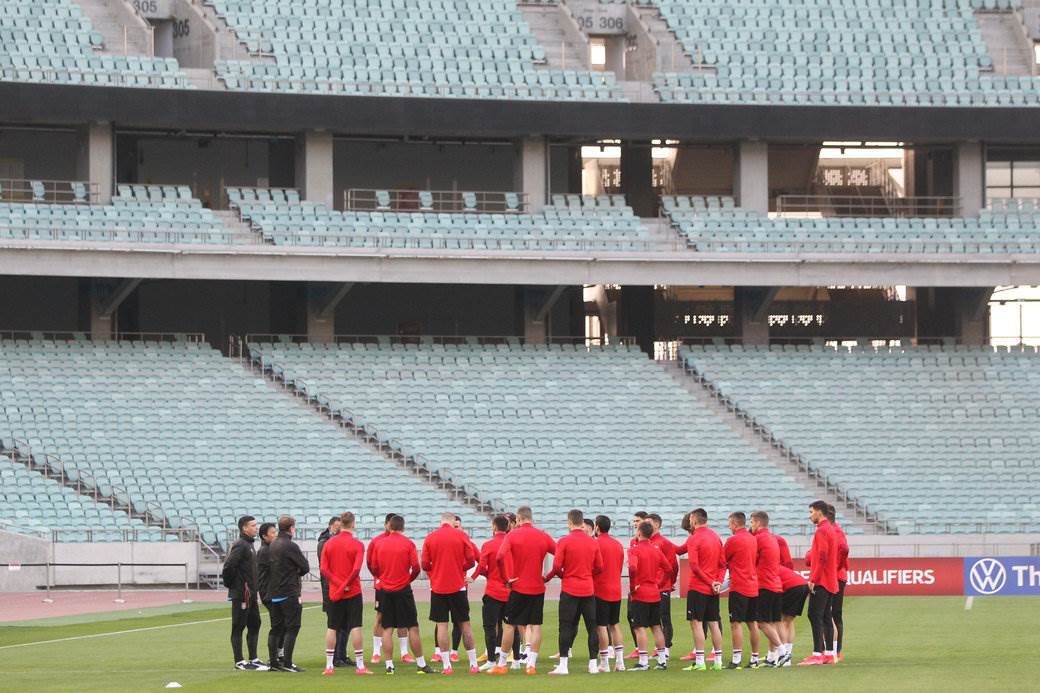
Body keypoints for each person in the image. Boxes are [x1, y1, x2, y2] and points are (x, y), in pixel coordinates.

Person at [488, 505, 556, 675]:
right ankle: (531, 664)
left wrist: (506, 579)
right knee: (535, 626)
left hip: (518, 586)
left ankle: (502, 663)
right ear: (531, 518)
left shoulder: (513, 535)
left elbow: (499, 557)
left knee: (510, 625)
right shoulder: (543, 536)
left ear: (518, 518)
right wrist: (549, 576)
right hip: (537, 587)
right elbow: (560, 555)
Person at [368, 514, 435, 674]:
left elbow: (373, 566)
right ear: (403, 527)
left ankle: (389, 665)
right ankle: (421, 663)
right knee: (412, 626)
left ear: (389, 526)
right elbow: (416, 567)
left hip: (385, 589)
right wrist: (407, 579)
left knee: (387, 628)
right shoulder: (408, 543)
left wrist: (382, 577)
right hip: (403, 589)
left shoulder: (380, 544)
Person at [545, 509, 603, 676]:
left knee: (566, 626)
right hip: (587, 588)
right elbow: (600, 567)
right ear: (582, 523)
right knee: (592, 627)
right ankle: (593, 663)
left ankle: (563, 664)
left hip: (570, 588)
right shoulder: (593, 542)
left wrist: (566, 575)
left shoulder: (564, 541)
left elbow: (556, 566)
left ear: (570, 523)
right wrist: (587, 575)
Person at [422, 512, 479, 674]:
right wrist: (460, 569)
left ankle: (447, 665)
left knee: (442, 625)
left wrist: (435, 574)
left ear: (441, 522)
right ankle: (473, 664)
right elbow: (470, 559)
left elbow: (425, 564)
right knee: (465, 624)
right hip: (458, 586)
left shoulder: (430, 537)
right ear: (453, 521)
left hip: (438, 587)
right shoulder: (461, 536)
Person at [318, 512, 370, 676]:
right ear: (353, 524)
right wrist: (345, 585)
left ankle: (329, 666)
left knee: (332, 627)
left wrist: (338, 585)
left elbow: (324, 569)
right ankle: (360, 665)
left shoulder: (329, 544)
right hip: (352, 591)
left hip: (335, 591)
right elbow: (356, 569)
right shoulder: (358, 544)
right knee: (355, 626)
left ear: (340, 524)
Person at [677, 508, 725, 672]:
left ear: (694, 519)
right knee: (714, 623)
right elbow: (722, 564)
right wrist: (717, 582)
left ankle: (700, 662)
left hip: (698, 587)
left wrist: (710, 582)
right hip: (713, 589)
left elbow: (694, 566)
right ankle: (718, 661)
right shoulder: (716, 537)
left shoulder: (695, 538)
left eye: (690, 518)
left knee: (696, 624)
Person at [368, 513, 413, 665]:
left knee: (402, 620)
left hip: (399, 585)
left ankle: (404, 652)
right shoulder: (377, 541)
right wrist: (379, 578)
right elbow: (370, 564)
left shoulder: (402, 542)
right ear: (386, 524)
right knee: (380, 618)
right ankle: (375, 652)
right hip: (383, 586)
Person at [799, 500, 838, 666]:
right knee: (826, 616)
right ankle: (829, 654)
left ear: (819, 512)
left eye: (811, 512)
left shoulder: (822, 531)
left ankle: (817, 653)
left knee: (814, 615)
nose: (810, 515)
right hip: (830, 579)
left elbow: (822, 557)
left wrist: (813, 579)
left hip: (821, 580)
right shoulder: (830, 529)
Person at [267, 515, 309, 672]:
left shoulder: (273, 544)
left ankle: (273, 662)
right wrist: (295, 571)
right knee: (293, 627)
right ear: (291, 528)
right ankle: (288, 662)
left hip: (274, 591)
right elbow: (305, 567)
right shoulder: (290, 545)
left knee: (276, 628)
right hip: (289, 591)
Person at [223, 515, 265, 671]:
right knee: (238, 626)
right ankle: (239, 661)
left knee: (255, 623)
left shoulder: (249, 545)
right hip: (242, 594)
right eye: (253, 525)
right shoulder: (240, 545)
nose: (256, 527)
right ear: (244, 528)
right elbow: (228, 567)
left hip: (252, 594)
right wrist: (235, 587)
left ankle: (253, 658)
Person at [627, 521, 669, 671]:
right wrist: (658, 583)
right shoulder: (656, 549)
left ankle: (643, 661)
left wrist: (633, 587)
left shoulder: (634, 550)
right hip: (654, 592)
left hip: (641, 593)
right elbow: (668, 568)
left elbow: (632, 568)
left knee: (639, 627)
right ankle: (662, 660)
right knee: (656, 626)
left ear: (639, 532)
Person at [471, 515, 511, 670]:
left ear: (494, 527)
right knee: (510, 626)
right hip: (510, 591)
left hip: (493, 591)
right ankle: (512, 661)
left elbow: (481, 566)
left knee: (490, 626)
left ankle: (491, 660)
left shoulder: (489, 545)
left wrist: (473, 577)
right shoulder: (512, 544)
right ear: (507, 527)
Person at [441, 515, 479, 665]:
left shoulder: (466, 541)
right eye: (454, 526)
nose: (455, 528)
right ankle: (439, 652)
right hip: (443, 585)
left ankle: (454, 652)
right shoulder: (444, 541)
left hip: (460, 586)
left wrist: (473, 576)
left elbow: (480, 560)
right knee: (442, 622)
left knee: (458, 622)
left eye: (458, 526)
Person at [723, 511, 758, 669]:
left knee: (735, 623)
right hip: (752, 585)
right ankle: (754, 658)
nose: (729, 527)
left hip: (739, 586)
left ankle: (736, 659)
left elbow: (722, 560)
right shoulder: (752, 538)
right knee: (752, 623)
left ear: (735, 524)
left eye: (729, 524)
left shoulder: (732, 540)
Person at [749, 511, 784, 667]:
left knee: (762, 623)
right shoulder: (772, 538)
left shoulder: (758, 539)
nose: (751, 525)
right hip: (776, 584)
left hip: (764, 584)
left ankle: (783, 652)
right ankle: (772, 657)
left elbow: (751, 559)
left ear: (757, 523)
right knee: (774, 622)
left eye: (751, 522)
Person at [592, 514, 626, 672]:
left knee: (601, 626)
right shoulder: (618, 545)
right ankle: (620, 662)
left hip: (601, 589)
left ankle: (605, 662)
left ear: (597, 527)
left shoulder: (595, 543)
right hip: (615, 589)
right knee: (615, 624)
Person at [317, 515, 350, 667]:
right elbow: (326, 568)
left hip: (338, 586)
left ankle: (341, 654)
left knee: (345, 624)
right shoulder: (325, 543)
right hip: (331, 588)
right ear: (331, 526)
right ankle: (336, 656)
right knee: (336, 624)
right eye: (337, 526)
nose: (339, 529)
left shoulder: (331, 542)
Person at [647, 513, 678, 663]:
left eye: (649, 523)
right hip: (650, 588)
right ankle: (658, 648)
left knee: (664, 617)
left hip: (662, 587)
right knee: (653, 620)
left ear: (657, 525)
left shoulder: (664, 543)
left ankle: (666, 649)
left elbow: (672, 566)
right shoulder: (646, 542)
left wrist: (668, 583)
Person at [777, 546, 809, 668]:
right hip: (802, 585)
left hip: (793, 588)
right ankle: (787, 653)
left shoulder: (766, 568)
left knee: (781, 621)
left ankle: (784, 656)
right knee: (789, 621)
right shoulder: (777, 567)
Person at [624, 510, 649, 659]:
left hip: (648, 587)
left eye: (637, 521)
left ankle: (663, 650)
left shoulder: (654, 542)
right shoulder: (633, 542)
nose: (635, 524)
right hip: (636, 586)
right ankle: (638, 648)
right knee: (631, 616)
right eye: (634, 521)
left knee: (657, 621)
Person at [827, 504, 850, 662]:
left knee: (834, 613)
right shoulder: (834, 530)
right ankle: (832, 649)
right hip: (836, 575)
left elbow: (844, 548)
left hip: (835, 576)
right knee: (832, 613)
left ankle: (836, 650)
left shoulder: (835, 531)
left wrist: (837, 565)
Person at [255, 522, 278, 667]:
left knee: (281, 625)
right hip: (269, 592)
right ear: (264, 536)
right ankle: (273, 658)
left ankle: (277, 656)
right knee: (277, 625)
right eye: (273, 533)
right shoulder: (265, 551)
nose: (275, 535)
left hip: (270, 591)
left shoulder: (269, 549)